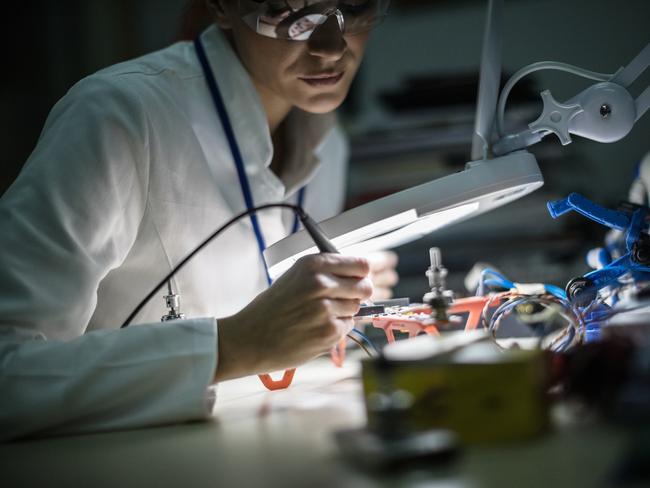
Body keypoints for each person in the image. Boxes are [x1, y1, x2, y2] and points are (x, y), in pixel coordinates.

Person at [0, 0, 396, 441]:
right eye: (287, 12)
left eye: (356, 7)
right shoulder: (118, 116)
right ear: (221, 8)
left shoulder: (326, 139)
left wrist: (329, 302)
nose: (330, 47)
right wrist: (229, 347)